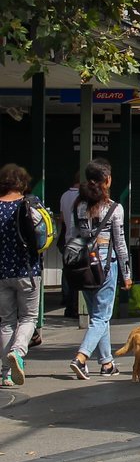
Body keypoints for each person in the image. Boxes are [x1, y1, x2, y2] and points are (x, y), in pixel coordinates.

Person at [68, 159, 132, 379]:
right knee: (101, 317)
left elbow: (71, 236)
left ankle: (106, 363)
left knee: (98, 315)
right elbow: (120, 243)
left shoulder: (78, 206)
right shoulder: (115, 208)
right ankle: (81, 357)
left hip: (83, 267)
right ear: (108, 180)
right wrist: (127, 274)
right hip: (106, 266)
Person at [0, 165, 41, 387]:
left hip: (2, 273)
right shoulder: (29, 204)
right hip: (28, 270)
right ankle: (18, 351)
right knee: (28, 318)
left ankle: (6, 374)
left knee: (6, 322)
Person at [58, 177, 80, 318]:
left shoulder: (64, 195)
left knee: (67, 272)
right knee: (79, 276)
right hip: (79, 240)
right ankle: (75, 307)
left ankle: (67, 302)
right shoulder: (83, 196)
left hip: (67, 239)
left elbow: (61, 218)